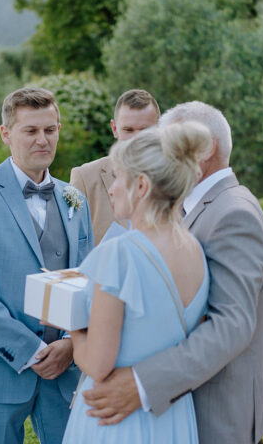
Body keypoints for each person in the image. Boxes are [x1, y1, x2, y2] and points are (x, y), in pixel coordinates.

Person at [78, 101, 263, 443]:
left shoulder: (233, 213)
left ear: (204, 149)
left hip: (214, 413)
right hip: (177, 411)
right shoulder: (190, 212)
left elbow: (231, 325)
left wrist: (141, 382)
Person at [0, 87, 94, 444]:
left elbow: (89, 280)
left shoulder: (75, 199)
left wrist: (71, 344)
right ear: (6, 134)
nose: (42, 140)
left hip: (65, 371)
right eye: (30, 131)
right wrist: (30, 350)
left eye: (50, 129)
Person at [63, 121, 212, 443]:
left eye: (118, 177)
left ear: (141, 186)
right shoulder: (194, 249)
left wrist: (73, 328)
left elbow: (98, 363)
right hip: (170, 412)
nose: (112, 187)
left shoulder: (119, 253)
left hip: (116, 419)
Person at [70, 89, 160, 243]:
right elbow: (72, 242)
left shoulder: (175, 177)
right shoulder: (84, 178)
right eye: (128, 130)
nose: (136, 139)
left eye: (145, 131)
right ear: (114, 129)